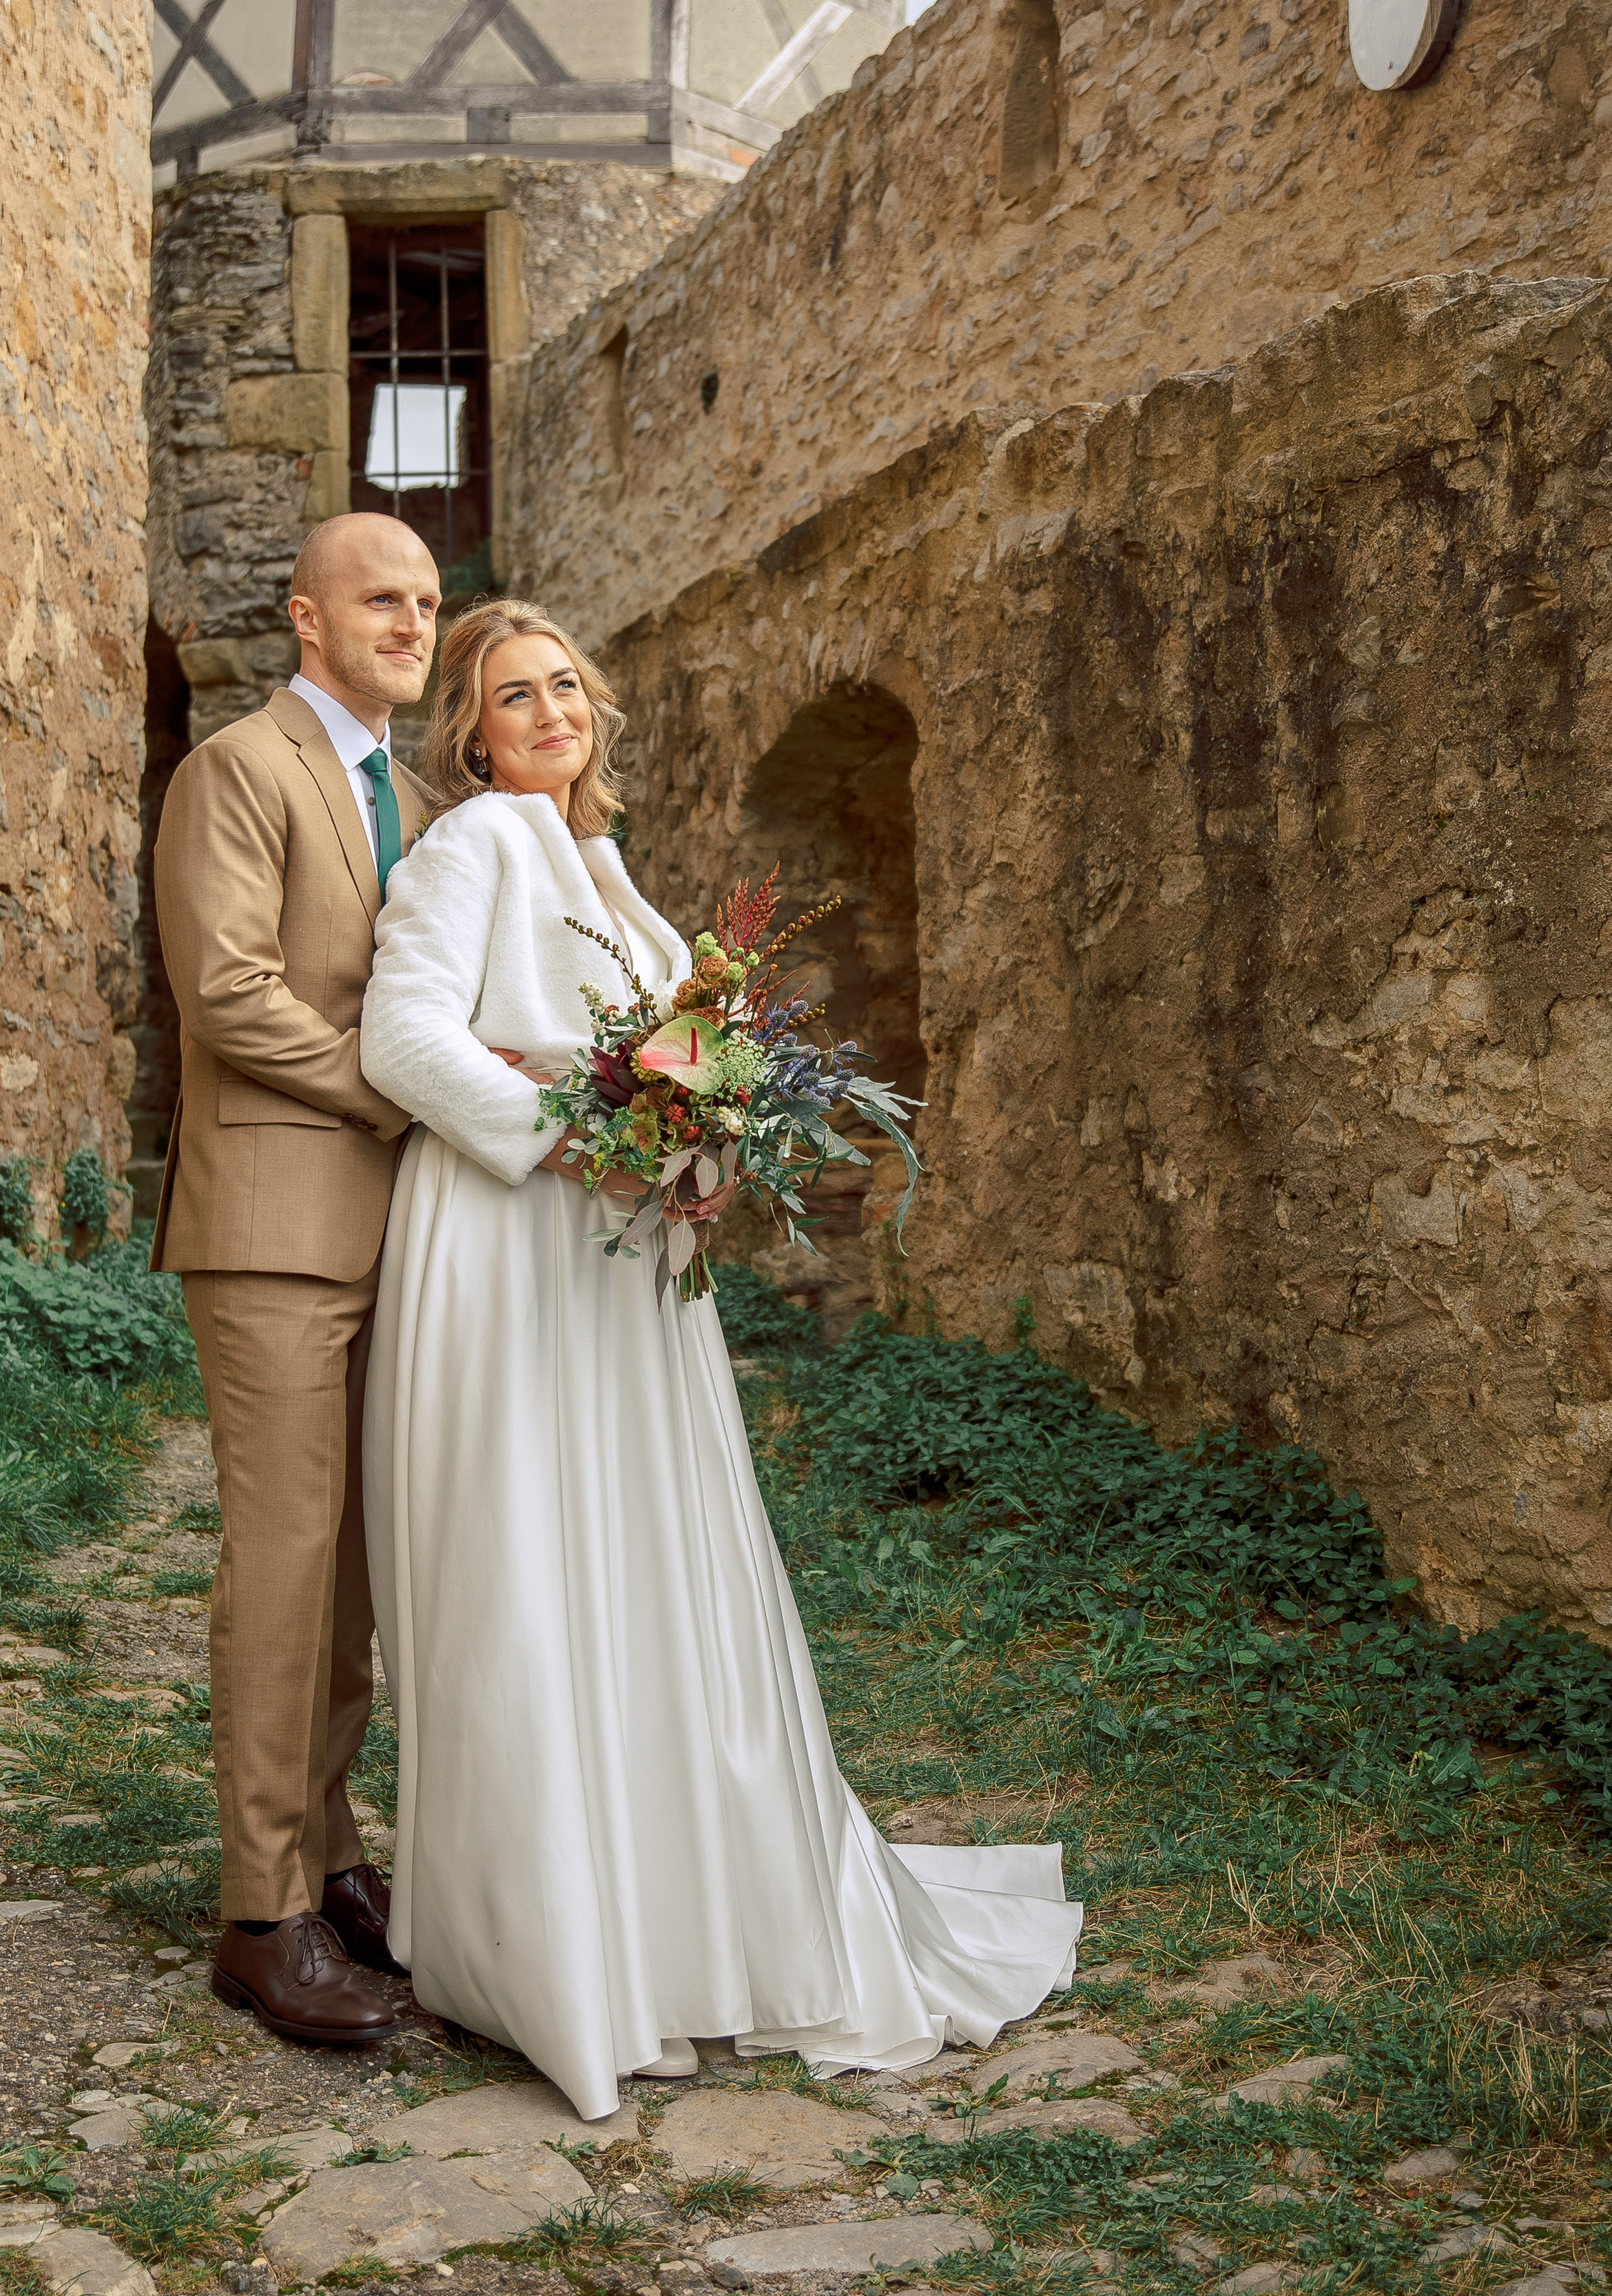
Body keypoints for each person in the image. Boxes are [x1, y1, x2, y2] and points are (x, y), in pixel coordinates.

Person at [358, 597, 1083, 2120]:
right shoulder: (472, 845)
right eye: (512, 694)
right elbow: (406, 1040)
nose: (549, 712)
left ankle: (674, 1910)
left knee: (644, 1561)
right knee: (537, 1558)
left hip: (624, 1259)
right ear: (470, 731)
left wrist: (695, 1154)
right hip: (511, 1242)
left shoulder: (606, 867)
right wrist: (580, 1143)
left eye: (565, 685)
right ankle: (558, 1941)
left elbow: (665, 1065)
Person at [152, 512, 441, 2046]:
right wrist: (402, 1091)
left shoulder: (420, 798)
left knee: (350, 1580)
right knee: (281, 1561)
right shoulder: (240, 769)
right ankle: (260, 1915)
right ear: (305, 616)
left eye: (427, 601)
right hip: (271, 1217)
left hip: (401, 1229)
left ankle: (328, 1858)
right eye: (379, 598)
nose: (411, 622)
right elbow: (227, 992)